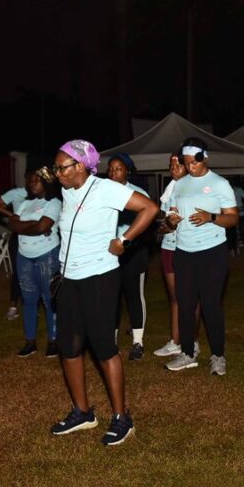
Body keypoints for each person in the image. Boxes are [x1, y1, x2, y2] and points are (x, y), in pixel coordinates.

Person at [49, 140, 158, 446]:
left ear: (80, 166)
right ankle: (82, 413)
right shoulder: (67, 191)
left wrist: (124, 240)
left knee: (103, 347)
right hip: (69, 278)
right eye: (55, 168)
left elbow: (150, 208)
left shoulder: (106, 189)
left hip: (99, 277)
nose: (57, 173)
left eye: (62, 168)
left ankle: (122, 418)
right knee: (69, 346)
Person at [163, 137, 239, 376]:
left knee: (210, 305)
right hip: (184, 252)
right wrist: (171, 220)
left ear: (204, 157)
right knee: (185, 305)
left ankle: (218, 356)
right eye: (186, 163)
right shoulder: (179, 185)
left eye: (194, 162)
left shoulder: (219, 184)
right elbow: (170, 216)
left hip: (212, 252)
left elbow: (233, 218)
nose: (190, 167)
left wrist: (211, 217)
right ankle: (187, 353)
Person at [7, 168, 61, 358]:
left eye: (36, 180)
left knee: (49, 299)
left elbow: (42, 226)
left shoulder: (54, 203)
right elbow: (11, 224)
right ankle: (30, 342)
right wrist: (34, 227)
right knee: (28, 300)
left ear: (46, 182)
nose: (32, 184)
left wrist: (26, 227)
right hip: (24, 256)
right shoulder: (25, 203)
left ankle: (53, 341)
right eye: (30, 181)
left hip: (47, 255)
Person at [153, 154, 200, 359]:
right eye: (171, 166)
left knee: (190, 298)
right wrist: (164, 226)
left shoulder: (193, 188)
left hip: (187, 248)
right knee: (174, 297)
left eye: (178, 165)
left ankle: (193, 342)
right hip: (168, 247)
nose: (173, 169)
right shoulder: (170, 189)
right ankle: (175, 341)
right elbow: (165, 223)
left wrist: (171, 225)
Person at [106, 153, 151, 360]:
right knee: (111, 296)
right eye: (110, 169)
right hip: (109, 252)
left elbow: (147, 224)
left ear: (128, 171)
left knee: (134, 295)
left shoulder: (138, 194)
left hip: (133, 252)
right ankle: (111, 341)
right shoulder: (103, 192)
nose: (113, 172)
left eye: (118, 169)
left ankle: (138, 342)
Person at [0, 184, 27, 320]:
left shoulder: (43, 194)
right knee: (18, 272)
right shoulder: (17, 193)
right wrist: (12, 215)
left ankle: (32, 305)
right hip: (18, 237)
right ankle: (13, 307)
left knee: (34, 273)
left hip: (35, 236)